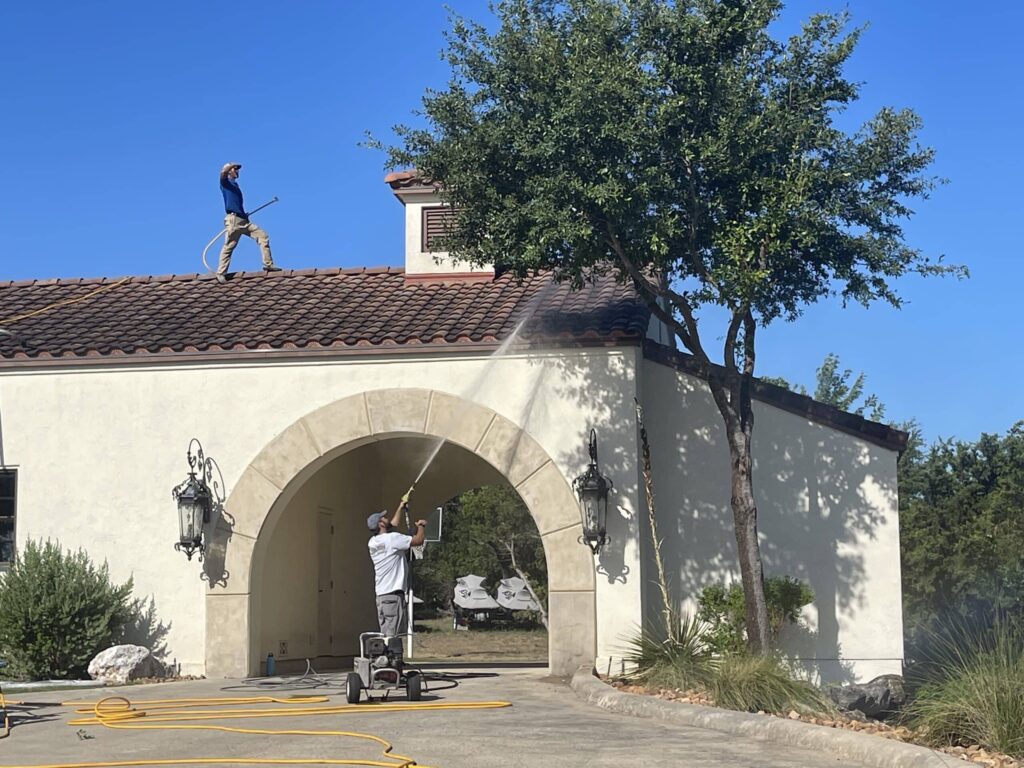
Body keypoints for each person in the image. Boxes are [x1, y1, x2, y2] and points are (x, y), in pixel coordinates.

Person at [367, 490, 426, 638]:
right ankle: (387, 659)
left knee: (385, 634)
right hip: (393, 595)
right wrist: (421, 526)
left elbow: (392, 524)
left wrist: (401, 507)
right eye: (384, 517)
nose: (387, 518)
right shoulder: (392, 539)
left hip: (381, 595)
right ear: (381, 523)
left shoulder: (373, 542)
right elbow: (417, 541)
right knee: (391, 636)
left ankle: (384, 658)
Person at [216, 162, 280, 282]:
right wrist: (230, 166)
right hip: (234, 220)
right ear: (230, 171)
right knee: (229, 246)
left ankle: (268, 264)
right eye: (235, 169)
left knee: (262, 236)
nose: (237, 171)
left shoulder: (235, 185)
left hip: (243, 220)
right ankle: (221, 273)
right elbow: (223, 173)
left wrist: (243, 213)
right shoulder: (226, 183)